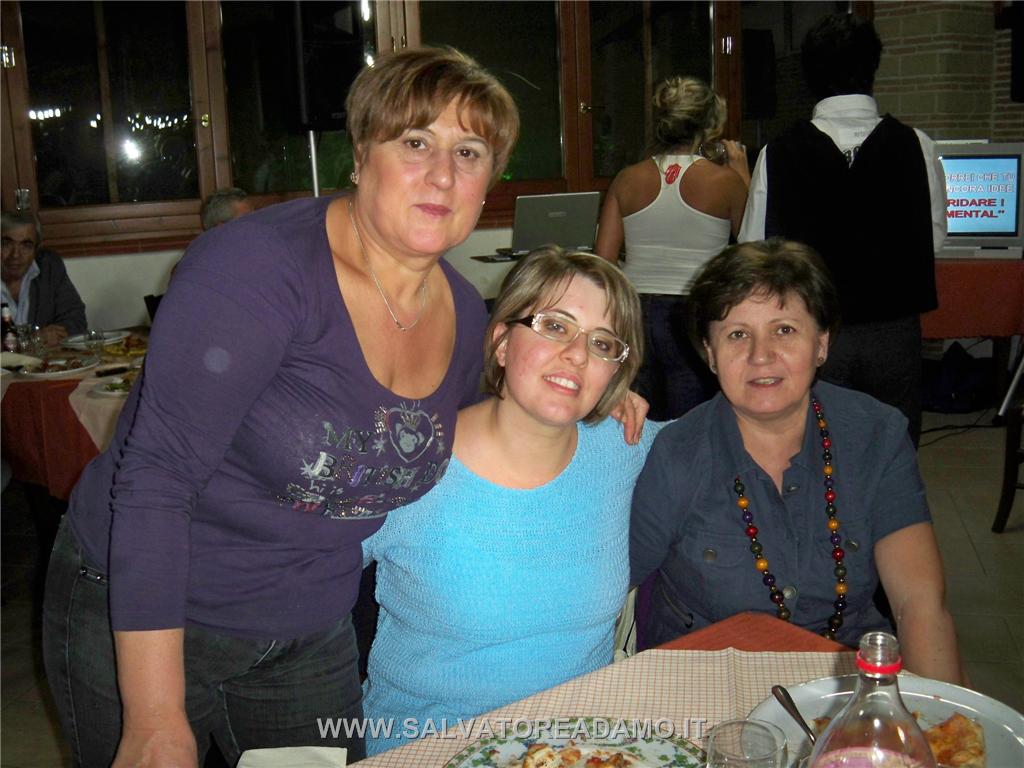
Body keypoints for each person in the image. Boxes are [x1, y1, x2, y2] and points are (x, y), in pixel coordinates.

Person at [40, 47, 522, 768]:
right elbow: (156, 480)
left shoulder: (462, 310)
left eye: (470, 152)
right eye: (416, 142)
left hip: (309, 622)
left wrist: (593, 411)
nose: (443, 175)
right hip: (151, 608)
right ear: (361, 156)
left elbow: (480, 431)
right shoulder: (255, 268)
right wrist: (155, 715)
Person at [361, 246, 661, 755]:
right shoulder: (407, 461)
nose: (578, 355)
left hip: (576, 748)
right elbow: (287, 580)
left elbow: (730, 437)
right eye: (555, 326)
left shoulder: (625, 447)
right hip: (429, 748)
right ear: (501, 342)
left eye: (602, 343)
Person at [630, 239, 965, 685]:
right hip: (703, 682)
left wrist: (939, 717)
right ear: (710, 354)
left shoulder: (876, 436)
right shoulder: (676, 453)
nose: (760, 355)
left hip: (845, 681)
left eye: (784, 330)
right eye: (737, 334)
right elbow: (605, 589)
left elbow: (920, 603)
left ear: (821, 344)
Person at [738, 13, 947, 446]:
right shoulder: (918, 146)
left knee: (816, 448)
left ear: (810, 75)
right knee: (893, 449)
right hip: (893, 329)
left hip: (810, 328)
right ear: (873, 69)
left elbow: (755, 248)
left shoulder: (778, 153)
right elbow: (934, 238)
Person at [596, 76, 749, 421]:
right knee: (689, 423)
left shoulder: (627, 178)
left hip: (635, 309)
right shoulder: (725, 181)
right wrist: (744, 177)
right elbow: (753, 248)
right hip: (692, 312)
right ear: (710, 126)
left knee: (635, 418)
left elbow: (604, 260)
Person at [1, 209, 87, 346]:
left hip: (43, 358)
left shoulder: (48, 266)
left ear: (36, 249)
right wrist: (31, 339)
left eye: (26, 245)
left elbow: (76, 319)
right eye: (6, 244)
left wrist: (57, 333)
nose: (15, 255)